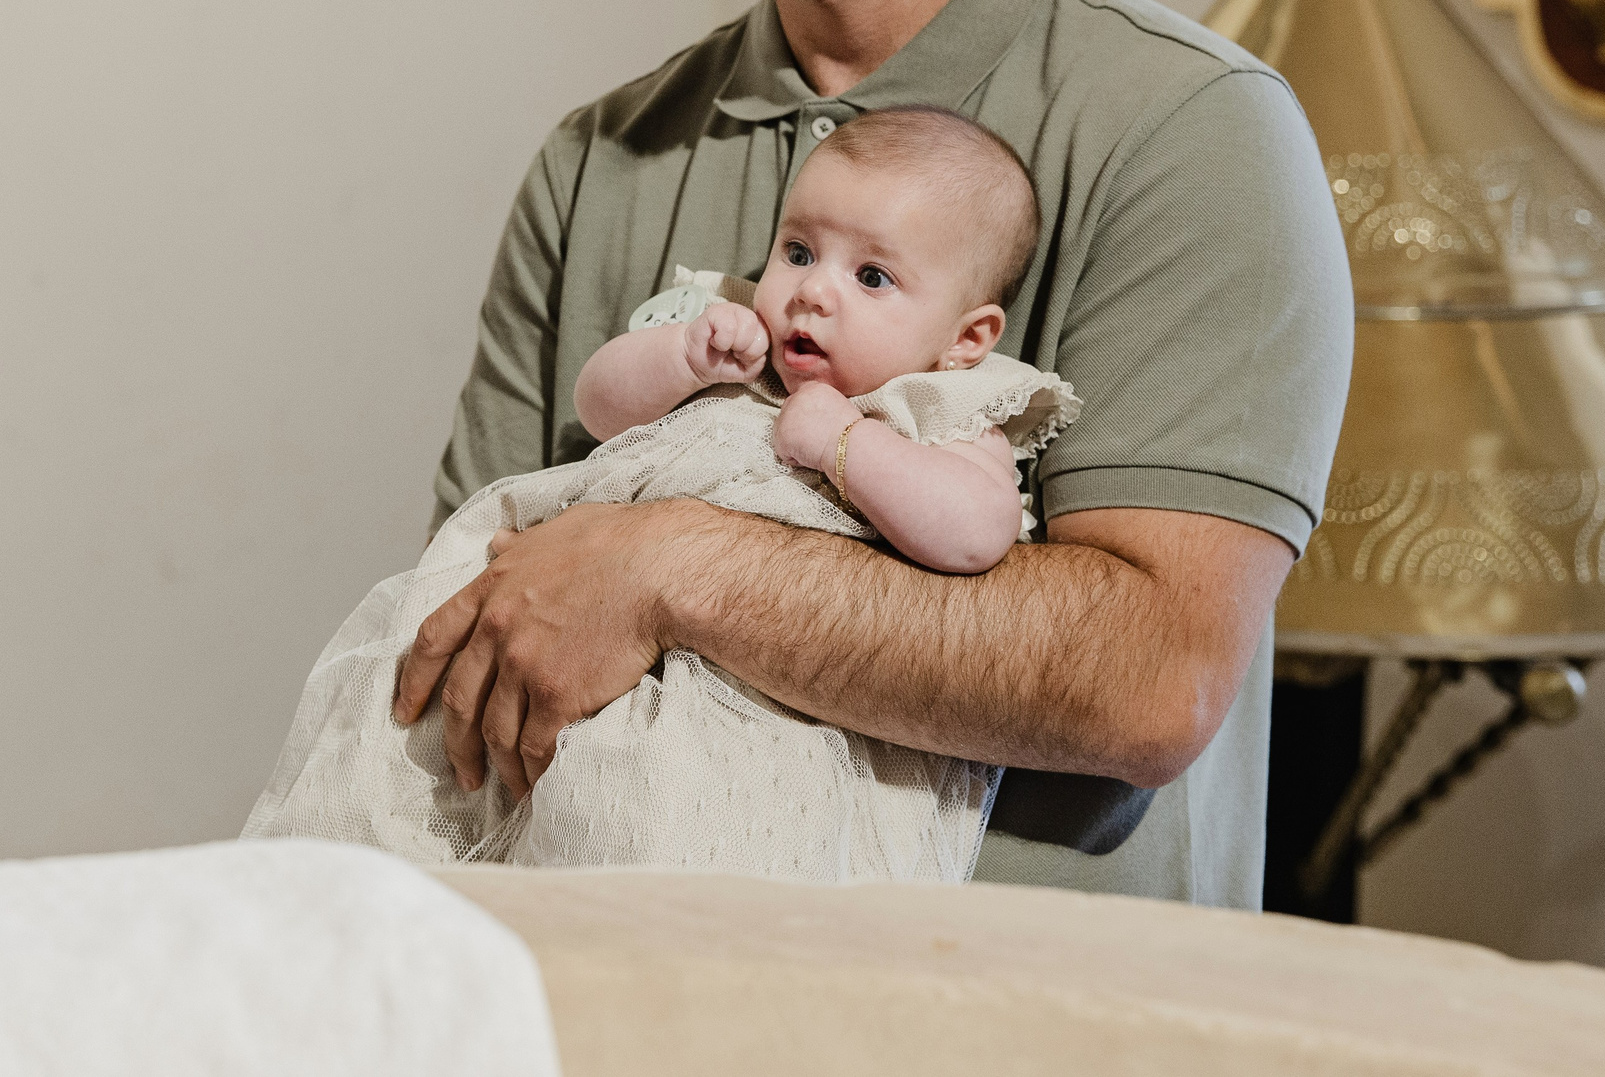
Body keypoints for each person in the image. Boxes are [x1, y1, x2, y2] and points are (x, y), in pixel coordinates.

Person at [392, 0, 1354, 906]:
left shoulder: (1191, 131)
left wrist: (663, 569)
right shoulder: (600, 161)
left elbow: (1147, 677)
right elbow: (484, 629)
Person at [244, 108, 1078, 881]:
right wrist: (682, 356)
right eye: (798, 250)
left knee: (652, 833)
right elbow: (596, 405)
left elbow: (977, 532)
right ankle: (333, 880)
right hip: (570, 636)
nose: (814, 290)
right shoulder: (729, 331)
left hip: (761, 711)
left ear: (967, 338)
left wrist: (846, 444)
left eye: (871, 276)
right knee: (381, 752)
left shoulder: (946, 409)